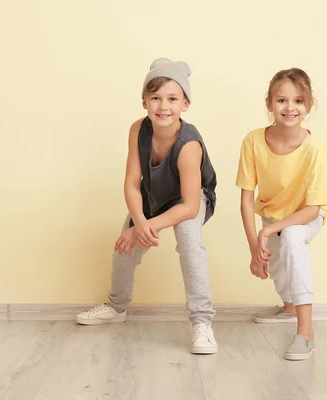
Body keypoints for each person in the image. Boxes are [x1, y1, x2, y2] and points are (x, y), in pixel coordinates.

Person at [75, 58, 218, 354]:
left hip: (188, 199)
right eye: (155, 98)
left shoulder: (189, 144)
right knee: (124, 246)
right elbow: (131, 182)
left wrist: (146, 226)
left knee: (189, 241)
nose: (163, 106)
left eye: (172, 99)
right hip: (155, 192)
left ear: (185, 104)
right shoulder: (138, 129)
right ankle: (116, 307)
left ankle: (202, 322)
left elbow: (190, 206)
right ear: (144, 102)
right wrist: (138, 224)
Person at [236, 68, 327, 360]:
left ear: (308, 105)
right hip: (273, 214)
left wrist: (267, 232)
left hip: (305, 216)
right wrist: (254, 248)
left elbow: (313, 209)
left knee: (292, 239)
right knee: (278, 266)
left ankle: (305, 331)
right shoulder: (253, 141)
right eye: (282, 100)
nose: (290, 108)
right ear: (269, 103)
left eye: (298, 101)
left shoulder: (315, 150)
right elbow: (245, 199)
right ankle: (289, 306)